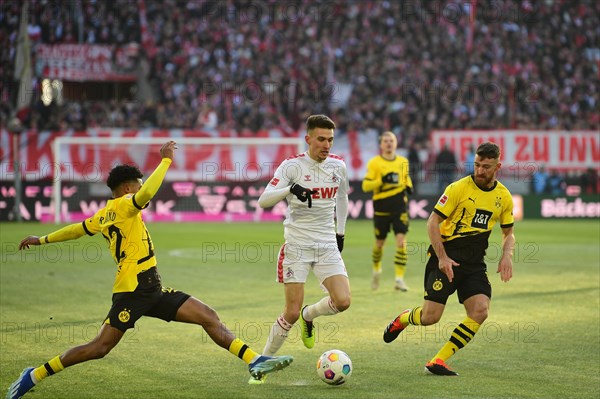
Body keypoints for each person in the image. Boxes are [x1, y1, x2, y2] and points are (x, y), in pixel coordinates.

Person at [6, 141, 293, 399]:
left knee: (208, 316)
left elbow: (76, 230)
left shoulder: (104, 214)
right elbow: (145, 194)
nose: (142, 189)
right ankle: (34, 374)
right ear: (128, 187)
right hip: (132, 292)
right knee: (99, 348)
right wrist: (166, 160)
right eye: (138, 184)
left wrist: (41, 239)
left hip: (151, 288)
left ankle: (255, 361)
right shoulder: (124, 205)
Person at [382, 142, 515, 376]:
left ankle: (438, 361)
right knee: (429, 317)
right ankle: (401, 320)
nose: (480, 171)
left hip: (474, 264)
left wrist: (507, 255)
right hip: (445, 258)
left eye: (486, 166)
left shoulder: (503, 196)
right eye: (476, 165)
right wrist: (442, 258)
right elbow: (432, 222)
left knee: (480, 312)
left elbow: (508, 233)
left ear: (498, 166)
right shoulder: (458, 188)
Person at [251, 114, 350, 384]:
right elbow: (263, 201)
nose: (326, 145)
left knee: (343, 302)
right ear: (308, 139)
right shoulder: (292, 166)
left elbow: (342, 198)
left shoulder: (338, 166)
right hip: (297, 245)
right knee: (290, 312)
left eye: (330, 139)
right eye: (321, 139)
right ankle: (260, 365)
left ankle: (311, 314)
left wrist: (340, 232)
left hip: (327, 243)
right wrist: (290, 188)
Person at [362, 131, 413, 291]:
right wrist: (382, 180)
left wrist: (409, 186)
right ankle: (377, 270)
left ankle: (399, 279)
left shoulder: (403, 161)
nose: (389, 143)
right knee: (380, 243)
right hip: (382, 207)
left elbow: (406, 179)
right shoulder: (374, 163)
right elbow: (365, 186)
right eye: (386, 141)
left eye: (391, 140)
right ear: (381, 144)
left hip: (399, 206)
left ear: (396, 143)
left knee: (401, 242)